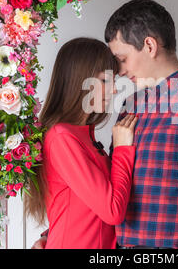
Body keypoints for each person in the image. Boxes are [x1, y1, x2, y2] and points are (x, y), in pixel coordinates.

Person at [33, 0, 178, 249]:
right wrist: (52, 234)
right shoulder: (132, 106)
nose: (118, 72)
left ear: (149, 45)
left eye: (122, 58)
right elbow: (104, 190)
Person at [24, 37, 138, 249]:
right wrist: (122, 149)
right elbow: (112, 211)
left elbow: (79, 209)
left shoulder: (82, 136)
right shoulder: (62, 137)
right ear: (81, 81)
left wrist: (47, 236)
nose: (114, 90)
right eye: (105, 81)